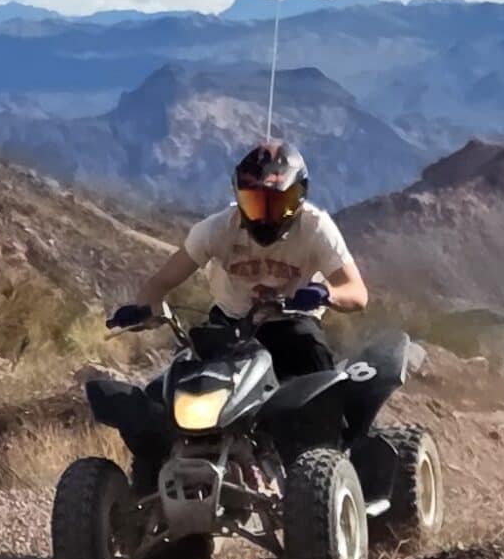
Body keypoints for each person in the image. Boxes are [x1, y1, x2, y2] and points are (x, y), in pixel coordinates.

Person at [109, 140, 369, 379]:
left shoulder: (316, 227)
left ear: (300, 197)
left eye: (280, 205)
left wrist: (326, 294)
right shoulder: (215, 230)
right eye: (255, 204)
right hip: (230, 324)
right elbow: (162, 281)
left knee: (319, 386)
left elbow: (357, 293)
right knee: (184, 386)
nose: (266, 217)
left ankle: (329, 429)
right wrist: (144, 312)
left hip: (292, 323)